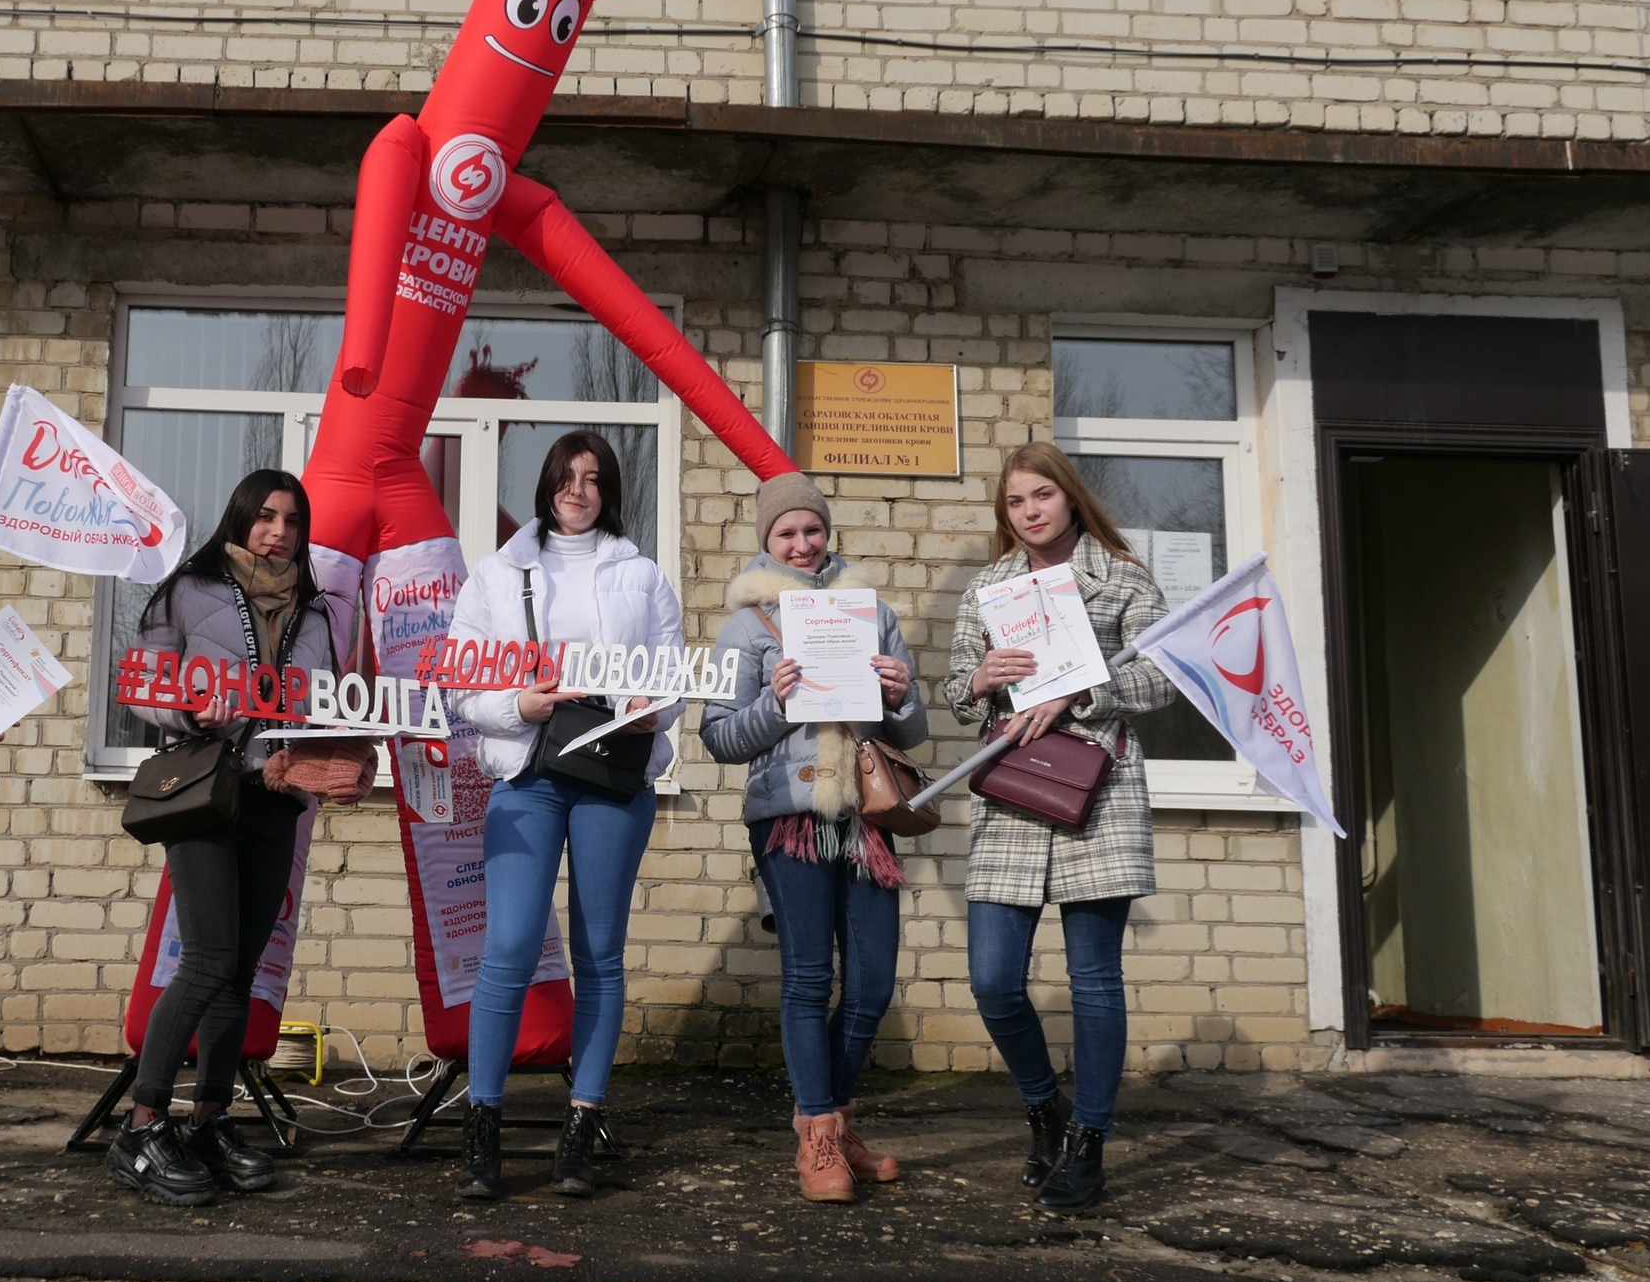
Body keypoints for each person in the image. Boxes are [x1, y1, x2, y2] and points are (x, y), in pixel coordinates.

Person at [442, 431, 682, 1201]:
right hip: (529, 772)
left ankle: (580, 1129)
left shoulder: (643, 576)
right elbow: (459, 685)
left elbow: (670, 682)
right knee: (508, 946)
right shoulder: (497, 571)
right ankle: (482, 1131)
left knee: (600, 953)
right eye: (567, 477)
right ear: (547, 484)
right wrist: (519, 704)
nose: (579, 490)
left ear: (609, 491)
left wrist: (653, 715)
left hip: (613, 774)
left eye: (594, 479)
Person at [942, 441, 1175, 1210]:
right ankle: (1045, 1108)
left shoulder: (1124, 578)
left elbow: (1163, 673)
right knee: (992, 979)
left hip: (1099, 791)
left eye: (1042, 495)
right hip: (1012, 791)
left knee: (1094, 982)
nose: (1030, 511)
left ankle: (1089, 1142)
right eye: (1015, 502)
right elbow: (953, 689)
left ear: (1071, 496)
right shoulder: (990, 588)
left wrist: (1081, 694)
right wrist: (979, 682)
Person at [111, 469, 341, 1207]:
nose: (278, 532)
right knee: (206, 959)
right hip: (206, 796)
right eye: (265, 517)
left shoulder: (321, 610)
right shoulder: (190, 588)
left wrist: (317, 755)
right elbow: (145, 684)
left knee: (240, 968)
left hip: (276, 800)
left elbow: (324, 702)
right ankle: (142, 1125)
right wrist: (191, 713)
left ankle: (209, 1117)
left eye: (292, 522)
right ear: (240, 519)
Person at [700, 474, 928, 1203]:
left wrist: (900, 695)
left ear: (828, 533)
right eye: (786, 533)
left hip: (864, 818)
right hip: (789, 818)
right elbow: (718, 737)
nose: (802, 543)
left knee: (871, 983)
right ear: (766, 541)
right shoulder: (746, 626)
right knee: (807, 979)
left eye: (812, 530)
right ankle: (820, 1136)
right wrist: (777, 703)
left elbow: (913, 732)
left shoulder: (871, 614)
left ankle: (830, 1116)